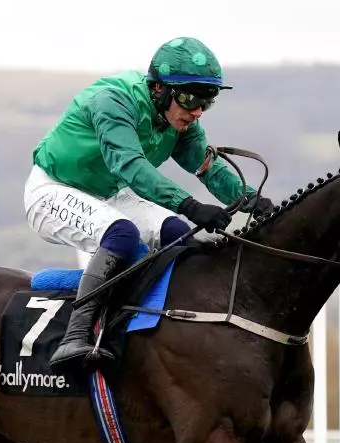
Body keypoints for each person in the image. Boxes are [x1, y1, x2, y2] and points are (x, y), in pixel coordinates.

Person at [23, 36, 276, 372]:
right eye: (189, 99)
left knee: (176, 232)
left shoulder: (182, 122)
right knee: (123, 236)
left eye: (206, 102)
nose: (196, 111)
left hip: (111, 193)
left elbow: (208, 168)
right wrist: (190, 204)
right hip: (52, 189)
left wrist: (252, 203)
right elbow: (131, 167)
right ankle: (75, 335)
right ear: (159, 88)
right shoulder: (113, 102)